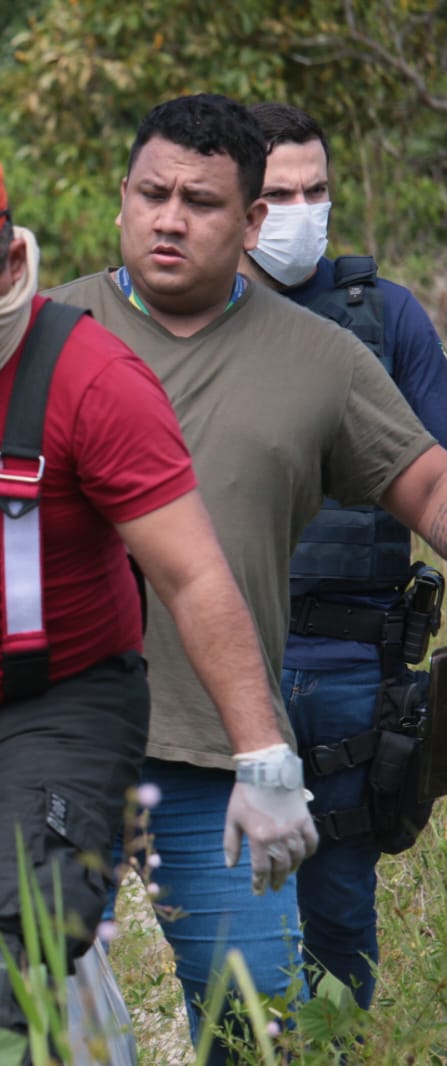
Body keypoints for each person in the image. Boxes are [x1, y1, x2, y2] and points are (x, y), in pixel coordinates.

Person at [0, 129, 312, 1041]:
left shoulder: (89, 378)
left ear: (8, 257)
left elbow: (193, 573)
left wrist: (264, 761)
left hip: (41, 721)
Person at [46, 93, 447, 1057]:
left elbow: (426, 483)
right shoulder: (48, 332)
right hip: (52, 742)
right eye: (151, 194)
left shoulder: (320, 358)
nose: (170, 218)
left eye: (200, 201)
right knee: (34, 1013)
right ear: (121, 199)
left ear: (251, 221)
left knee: (257, 1025)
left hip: (223, 758)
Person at [242, 101, 447, 1011]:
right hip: (220, 658)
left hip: (350, 665)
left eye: (315, 189)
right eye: (277, 192)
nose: (300, 210)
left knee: (337, 920)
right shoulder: (188, 312)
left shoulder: (386, 316)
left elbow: (437, 479)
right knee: (226, 923)